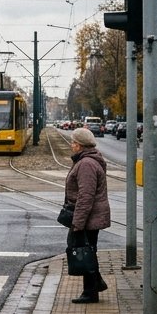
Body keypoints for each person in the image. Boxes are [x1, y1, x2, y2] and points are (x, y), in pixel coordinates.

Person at [64, 127, 111, 304]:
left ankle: (91, 292)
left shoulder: (86, 164)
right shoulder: (87, 160)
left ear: (80, 145)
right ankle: (95, 285)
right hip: (90, 215)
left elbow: (86, 196)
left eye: (73, 142)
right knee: (88, 250)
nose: (72, 145)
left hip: (89, 216)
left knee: (85, 252)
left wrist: (78, 222)